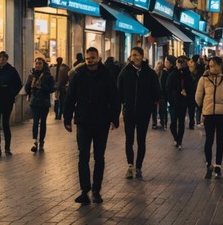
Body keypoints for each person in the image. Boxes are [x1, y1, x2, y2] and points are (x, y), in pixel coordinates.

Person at [64, 46, 121, 204]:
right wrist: (67, 118)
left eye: (93, 58)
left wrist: (114, 119)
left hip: (101, 121)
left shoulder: (106, 75)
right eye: (88, 58)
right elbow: (70, 98)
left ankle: (96, 190)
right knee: (83, 156)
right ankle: (84, 190)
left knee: (99, 157)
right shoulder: (78, 75)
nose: (90, 61)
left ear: (99, 58)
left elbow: (114, 98)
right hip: (83, 121)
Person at [118, 47, 160, 179]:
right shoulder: (125, 72)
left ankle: (139, 167)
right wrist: (123, 104)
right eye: (131, 55)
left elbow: (157, 92)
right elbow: (119, 91)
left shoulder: (150, 73)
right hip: (129, 111)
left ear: (142, 56)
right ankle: (130, 166)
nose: (133, 58)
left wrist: (150, 104)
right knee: (129, 139)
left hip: (143, 112)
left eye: (136, 55)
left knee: (141, 140)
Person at [195, 55, 223, 179]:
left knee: (220, 140)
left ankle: (218, 165)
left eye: (214, 66)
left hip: (222, 113)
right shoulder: (204, 79)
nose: (212, 68)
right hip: (208, 113)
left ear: (220, 66)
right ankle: (209, 164)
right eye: (210, 66)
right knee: (209, 140)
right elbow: (198, 95)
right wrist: (203, 106)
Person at [24, 57, 55, 153]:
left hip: (44, 103)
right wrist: (30, 84)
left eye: (40, 63)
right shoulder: (32, 75)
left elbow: (52, 88)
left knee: (43, 123)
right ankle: (34, 141)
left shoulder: (48, 76)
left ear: (43, 64)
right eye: (36, 63)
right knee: (35, 122)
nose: (37, 65)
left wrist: (42, 86)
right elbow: (26, 89)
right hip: (34, 102)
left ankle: (41, 140)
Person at [167, 56, 194, 149]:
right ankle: (176, 137)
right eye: (179, 62)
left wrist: (187, 93)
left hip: (183, 102)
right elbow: (168, 88)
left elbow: (191, 86)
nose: (180, 64)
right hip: (174, 103)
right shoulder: (173, 74)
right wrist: (170, 100)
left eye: (182, 62)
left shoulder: (187, 74)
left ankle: (179, 141)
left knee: (181, 123)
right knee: (173, 123)